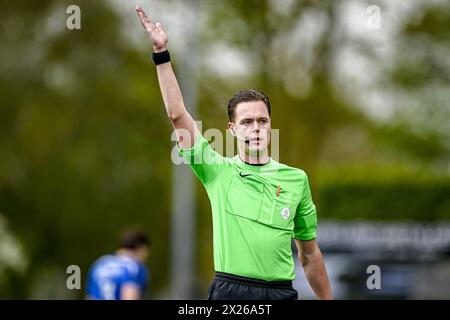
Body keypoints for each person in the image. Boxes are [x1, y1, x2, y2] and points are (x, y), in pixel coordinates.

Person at [135, 6, 332, 300]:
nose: (256, 128)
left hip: (280, 293)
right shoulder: (216, 170)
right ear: (232, 129)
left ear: (270, 126)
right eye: (247, 122)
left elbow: (309, 254)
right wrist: (161, 54)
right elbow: (177, 115)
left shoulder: (296, 179)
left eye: (262, 121)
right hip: (230, 292)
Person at [86, 229, 150, 300]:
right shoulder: (133, 268)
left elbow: (90, 296)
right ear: (140, 247)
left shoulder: (100, 264)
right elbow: (130, 295)